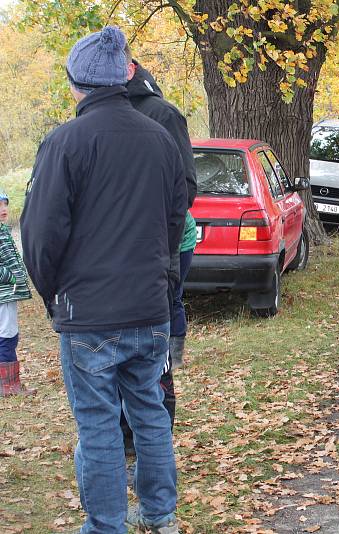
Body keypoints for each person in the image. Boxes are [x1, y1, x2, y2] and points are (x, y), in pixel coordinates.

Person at [21, 26, 186, 533]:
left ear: (78, 83)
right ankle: (160, 515)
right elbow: (176, 218)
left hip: (92, 313)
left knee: (100, 425)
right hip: (145, 307)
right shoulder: (159, 137)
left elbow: (41, 233)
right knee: (149, 412)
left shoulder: (66, 141)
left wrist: (54, 295)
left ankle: (108, 524)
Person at [118, 47, 198, 459]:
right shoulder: (97, 114)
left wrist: (160, 250)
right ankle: (127, 435)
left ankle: (153, 437)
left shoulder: (161, 113)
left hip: (161, 252)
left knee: (156, 347)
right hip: (114, 263)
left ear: (129, 68)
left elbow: (185, 188)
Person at [0, 191, 34, 397]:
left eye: (5, 205)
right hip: (3, 294)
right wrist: (11, 277)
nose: (4, 210)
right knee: (8, 335)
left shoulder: (3, 230)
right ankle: (8, 385)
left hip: (7, 294)